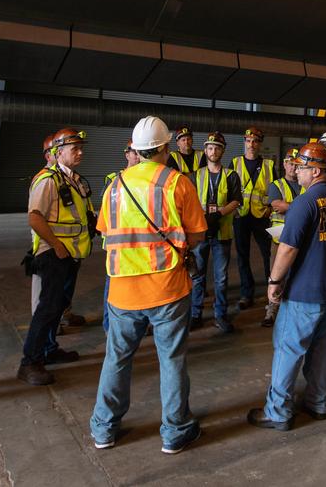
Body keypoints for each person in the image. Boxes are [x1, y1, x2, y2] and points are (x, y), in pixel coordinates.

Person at [90, 116, 207, 455]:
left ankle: (104, 429)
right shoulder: (177, 182)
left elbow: (105, 232)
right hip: (167, 288)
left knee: (117, 358)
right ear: (165, 148)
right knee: (171, 360)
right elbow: (197, 236)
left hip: (122, 290)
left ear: (136, 150)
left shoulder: (115, 185)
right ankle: (175, 431)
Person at [247, 142, 326, 431]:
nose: (297, 171)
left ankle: (277, 412)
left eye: (302, 167)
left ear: (315, 171)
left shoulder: (305, 202)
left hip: (306, 291)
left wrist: (274, 281)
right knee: (322, 348)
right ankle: (318, 403)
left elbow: (288, 249)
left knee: (288, 348)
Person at [19, 129, 93, 384]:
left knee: (57, 307)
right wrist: (57, 246)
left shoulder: (74, 180)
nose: (80, 152)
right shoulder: (48, 180)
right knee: (47, 308)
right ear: (58, 152)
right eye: (75, 149)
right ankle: (29, 363)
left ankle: (49, 350)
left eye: (81, 148)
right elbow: (35, 218)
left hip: (70, 254)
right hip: (53, 254)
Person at [189, 132, 241, 333]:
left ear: (223, 151)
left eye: (217, 148)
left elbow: (236, 201)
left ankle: (220, 315)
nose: (213, 151)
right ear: (205, 150)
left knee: (221, 278)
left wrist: (218, 214)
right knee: (198, 276)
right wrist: (202, 218)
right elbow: (189, 201)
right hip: (200, 232)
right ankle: (196, 314)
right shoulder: (196, 175)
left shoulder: (231, 175)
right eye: (210, 148)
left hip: (222, 233)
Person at [96, 142, 140, 332]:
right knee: (113, 285)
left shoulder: (145, 180)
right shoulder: (113, 179)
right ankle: (109, 326)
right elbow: (105, 211)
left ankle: (136, 324)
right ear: (126, 154)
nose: (137, 156)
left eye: (140, 152)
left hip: (138, 242)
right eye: (134, 152)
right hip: (117, 243)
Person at [232, 127, 277, 309]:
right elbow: (230, 188)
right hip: (241, 216)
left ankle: (271, 292)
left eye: (255, 141)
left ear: (260, 144)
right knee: (242, 256)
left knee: (268, 254)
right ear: (245, 142)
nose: (251, 144)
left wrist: (269, 209)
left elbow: (276, 190)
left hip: (261, 216)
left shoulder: (269, 165)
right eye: (249, 141)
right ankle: (246, 294)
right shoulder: (235, 163)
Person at [262, 147, 302, 327]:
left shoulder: (306, 184)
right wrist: (302, 207)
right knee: (276, 275)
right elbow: (277, 205)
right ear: (284, 164)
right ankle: (272, 310)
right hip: (280, 240)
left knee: (299, 276)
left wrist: (289, 206)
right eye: (290, 163)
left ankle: (293, 312)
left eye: (297, 164)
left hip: (302, 239)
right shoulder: (276, 185)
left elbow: (286, 207)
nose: (293, 167)